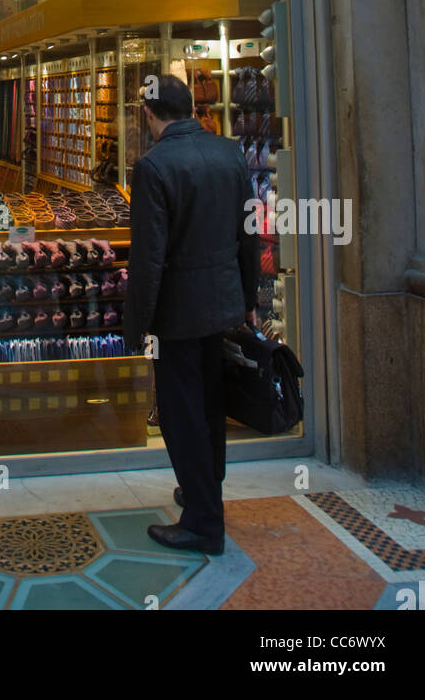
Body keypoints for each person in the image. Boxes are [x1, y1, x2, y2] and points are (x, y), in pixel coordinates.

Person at [123, 73, 258, 555]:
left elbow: (149, 258)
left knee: (181, 415)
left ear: (148, 114)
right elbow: (249, 234)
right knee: (209, 409)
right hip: (222, 305)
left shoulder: (154, 168)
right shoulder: (230, 154)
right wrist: (249, 300)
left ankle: (202, 523)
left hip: (179, 314)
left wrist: (136, 325)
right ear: (192, 110)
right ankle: (204, 493)